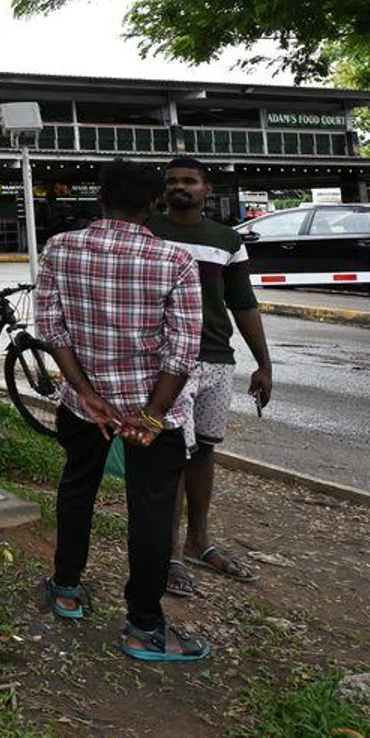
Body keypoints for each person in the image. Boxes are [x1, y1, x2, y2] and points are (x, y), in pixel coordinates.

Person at [36, 160, 209, 662]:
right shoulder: (174, 260)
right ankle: (144, 626)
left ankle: (66, 587)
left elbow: (53, 328)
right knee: (153, 510)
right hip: (152, 411)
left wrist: (86, 394)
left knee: (77, 487)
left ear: (99, 197)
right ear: (153, 204)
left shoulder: (60, 249)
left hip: (83, 404)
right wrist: (153, 415)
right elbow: (183, 351)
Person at [150, 156, 272, 595]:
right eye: (172, 181)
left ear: (207, 189)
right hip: (165, 363)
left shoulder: (226, 240)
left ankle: (198, 541)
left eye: (189, 181)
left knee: (203, 452)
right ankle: (166, 555)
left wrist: (264, 362)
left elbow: (243, 302)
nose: (180, 187)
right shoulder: (148, 232)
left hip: (217, 360)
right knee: (169, 458)